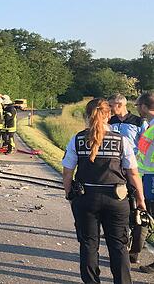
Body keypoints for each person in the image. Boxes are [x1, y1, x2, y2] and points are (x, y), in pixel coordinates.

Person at [62, 98, 146, 284]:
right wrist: (140, 200)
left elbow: (68, 173)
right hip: (116, 199)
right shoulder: (121, 140)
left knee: (88, 245)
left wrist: (70, 196)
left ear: (87, 115)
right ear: (109, 115)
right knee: (118, 246)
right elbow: (133, 173)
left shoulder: (77, 139)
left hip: (86, 199)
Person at [108, 94, 150, 263]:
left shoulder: (139, 122)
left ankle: (135, 250)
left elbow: (145, 146)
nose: (110, 109)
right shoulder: (109, 122)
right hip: (114, 170)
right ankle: (121, 240)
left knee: (138, 207)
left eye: (111, 105)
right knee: (119, 206)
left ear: (119, 105)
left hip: (134, 170)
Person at [134, 92, 154, 273]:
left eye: (137, 105)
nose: (137, 109)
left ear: (145, 107)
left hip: (152, 177)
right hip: (147, 177)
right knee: (147, 215)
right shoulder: (150, 125)